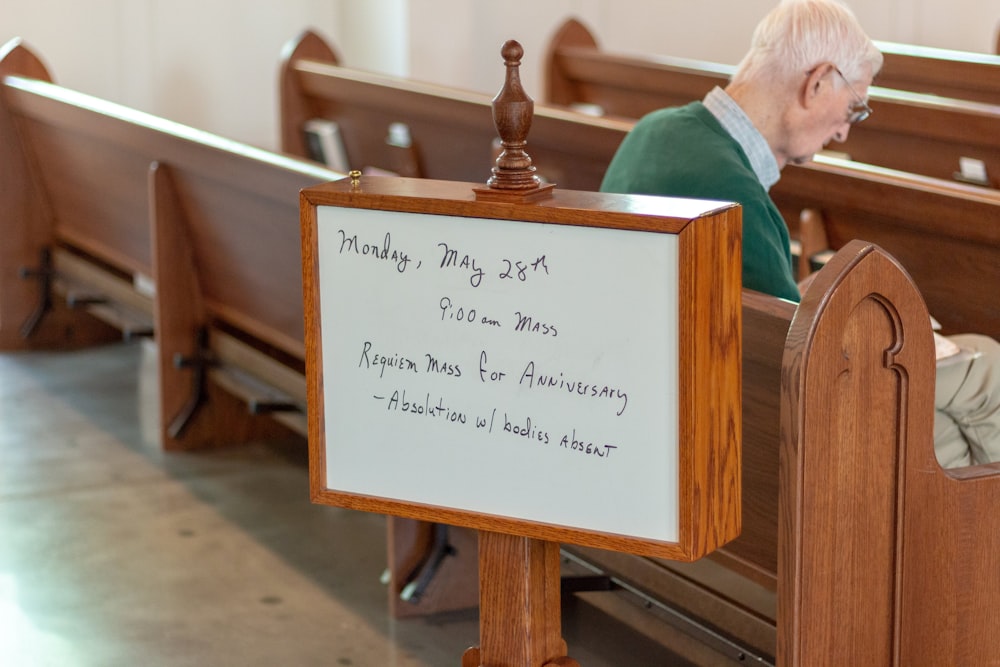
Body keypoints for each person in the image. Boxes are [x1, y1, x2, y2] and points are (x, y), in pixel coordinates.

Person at [600, 0, 1000, 469]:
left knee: (954, 414)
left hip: (635, 403)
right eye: (853, 108)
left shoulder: (653, 129)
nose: (844, 132)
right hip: (734, 443)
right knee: (987, 369)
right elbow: (797, 381)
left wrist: (804, 298)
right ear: (816, 83)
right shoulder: (735, 197)